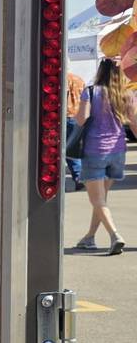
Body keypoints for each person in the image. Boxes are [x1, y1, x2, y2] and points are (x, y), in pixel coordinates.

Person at [73, 57, 137, 254]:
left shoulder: (91, 91)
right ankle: (89, 237)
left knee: (97, 200)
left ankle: (115, 236)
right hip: (117, 151)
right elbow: (134, 122)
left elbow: (82, 119)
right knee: (101, 198)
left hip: (94, 151)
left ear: (101, 71)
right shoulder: (127, 93)